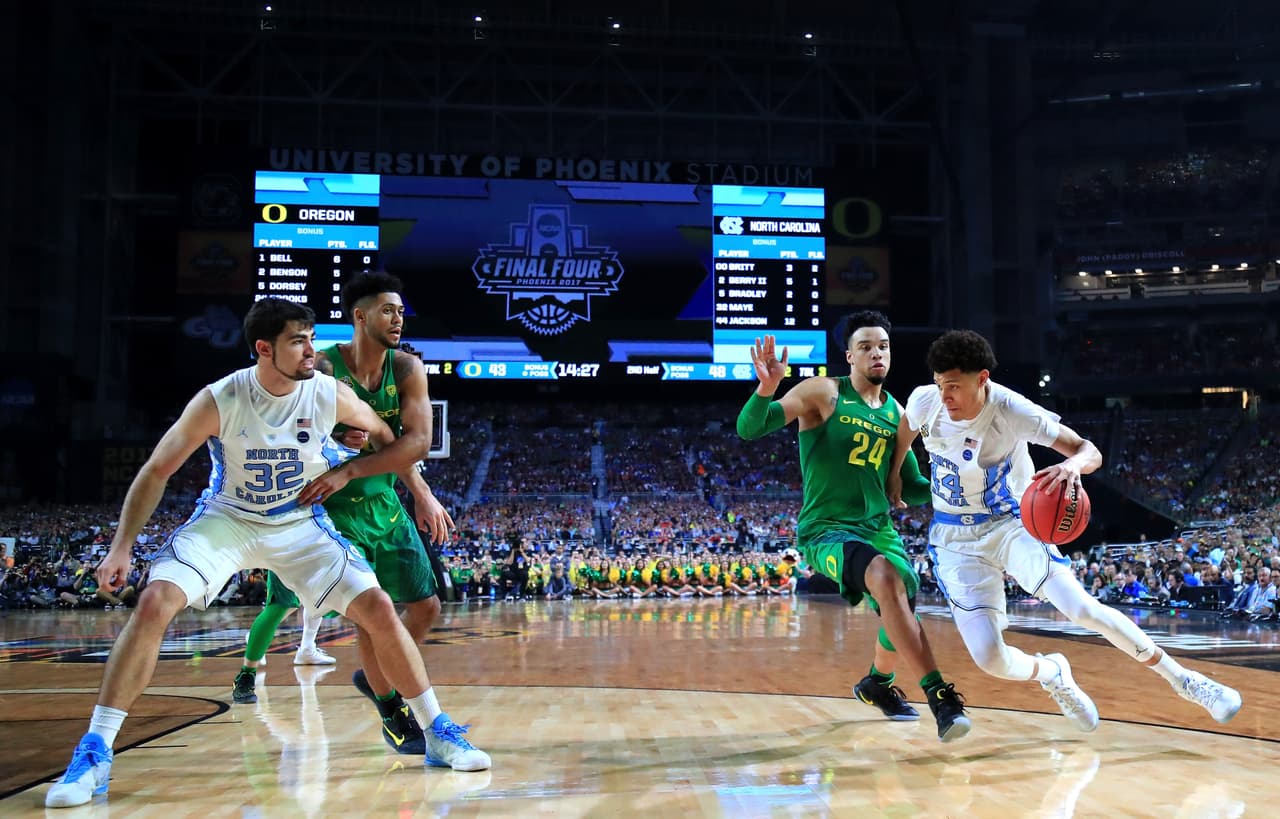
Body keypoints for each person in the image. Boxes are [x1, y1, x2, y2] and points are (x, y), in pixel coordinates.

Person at [46, 298, 488, 810]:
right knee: (154, 602)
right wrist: (121, 546)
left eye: (311, 337)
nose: (310, 350)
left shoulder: (328, 393)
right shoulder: (221, 398)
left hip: (299, 523)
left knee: (379, 608)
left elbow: (393, 438)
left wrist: (357, 453)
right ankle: (95, 750)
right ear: (264, 348)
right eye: (298, 340)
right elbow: (156, 470)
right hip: (228, 519)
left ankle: (436, 731)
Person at [886, 329, 1242, 732]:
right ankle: (1053, 673)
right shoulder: (925, 400)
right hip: (954, 540)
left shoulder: (1011, 409)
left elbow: (1089, 450)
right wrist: (896, 473)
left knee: (1081, 608)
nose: (944, 395)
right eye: (939, 384)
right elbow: (906, 429)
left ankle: (1187, 681)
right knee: (989, 659)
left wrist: (1072, 466)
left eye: (953, 385)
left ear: (982, 378)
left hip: (1010, 524)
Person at [231, 274, 455, 759]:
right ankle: (392, 712)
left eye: (401, 311)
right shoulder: (323, 364)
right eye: (387, 311)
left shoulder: (408, 368)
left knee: (427, 607)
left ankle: (377, 677)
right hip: (330, 506)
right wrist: (333, 443)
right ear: (360, 316)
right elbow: (287, 426)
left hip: (384, 499)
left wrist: (420, 491)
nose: (398, 319)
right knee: (368, 613)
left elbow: (410, 444)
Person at [737, 312, 971, 742]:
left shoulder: (898, 413)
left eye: (882, 345)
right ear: (849, 356)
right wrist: (766, 389)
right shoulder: (823, 393)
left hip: (879, 530)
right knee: (885, 577)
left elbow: (912, 486)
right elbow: (749, 429)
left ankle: (876, 684)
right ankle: (940, 696)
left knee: (901, 594)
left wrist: (960, 480)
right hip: (825, 529)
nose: (876, 352)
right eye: (865, 346)